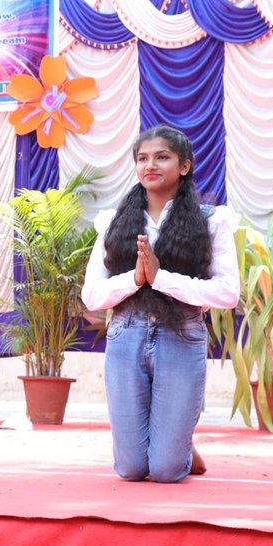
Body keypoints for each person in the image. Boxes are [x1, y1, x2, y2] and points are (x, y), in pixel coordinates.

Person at [82, 126, 238, 483]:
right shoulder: (113, 222)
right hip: (126, 336)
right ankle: (175, 440)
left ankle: (177, 445)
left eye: (162, 157)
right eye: (143, 158)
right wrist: (136, 279)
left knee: (166, 471)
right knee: (131, 470)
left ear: (184, 166)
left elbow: (228, 293)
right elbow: (92, 296)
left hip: (181, 336)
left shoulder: (212, 221)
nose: (150, 165)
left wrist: (161, 278)